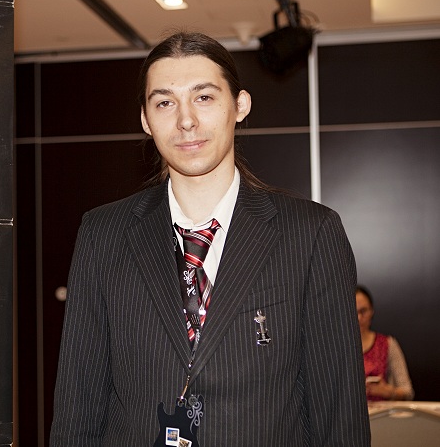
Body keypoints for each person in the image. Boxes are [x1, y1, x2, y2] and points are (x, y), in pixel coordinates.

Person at [50, 31, 370, 446]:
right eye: (165, 103)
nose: (186, 121)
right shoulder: (103, 235)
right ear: (145, 120)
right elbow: (78, 407)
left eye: (203, 97)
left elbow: (339, 415)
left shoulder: (309, 234)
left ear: (240, 105)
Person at [356, 284, 414, 401]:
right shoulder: (336, 348)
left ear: (371, 311)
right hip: (348, 411)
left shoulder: (387, 344)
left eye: (363, 311)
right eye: (354, 312)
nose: (359, 318)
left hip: (382, 411)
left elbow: (407, 391)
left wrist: (388, 392)